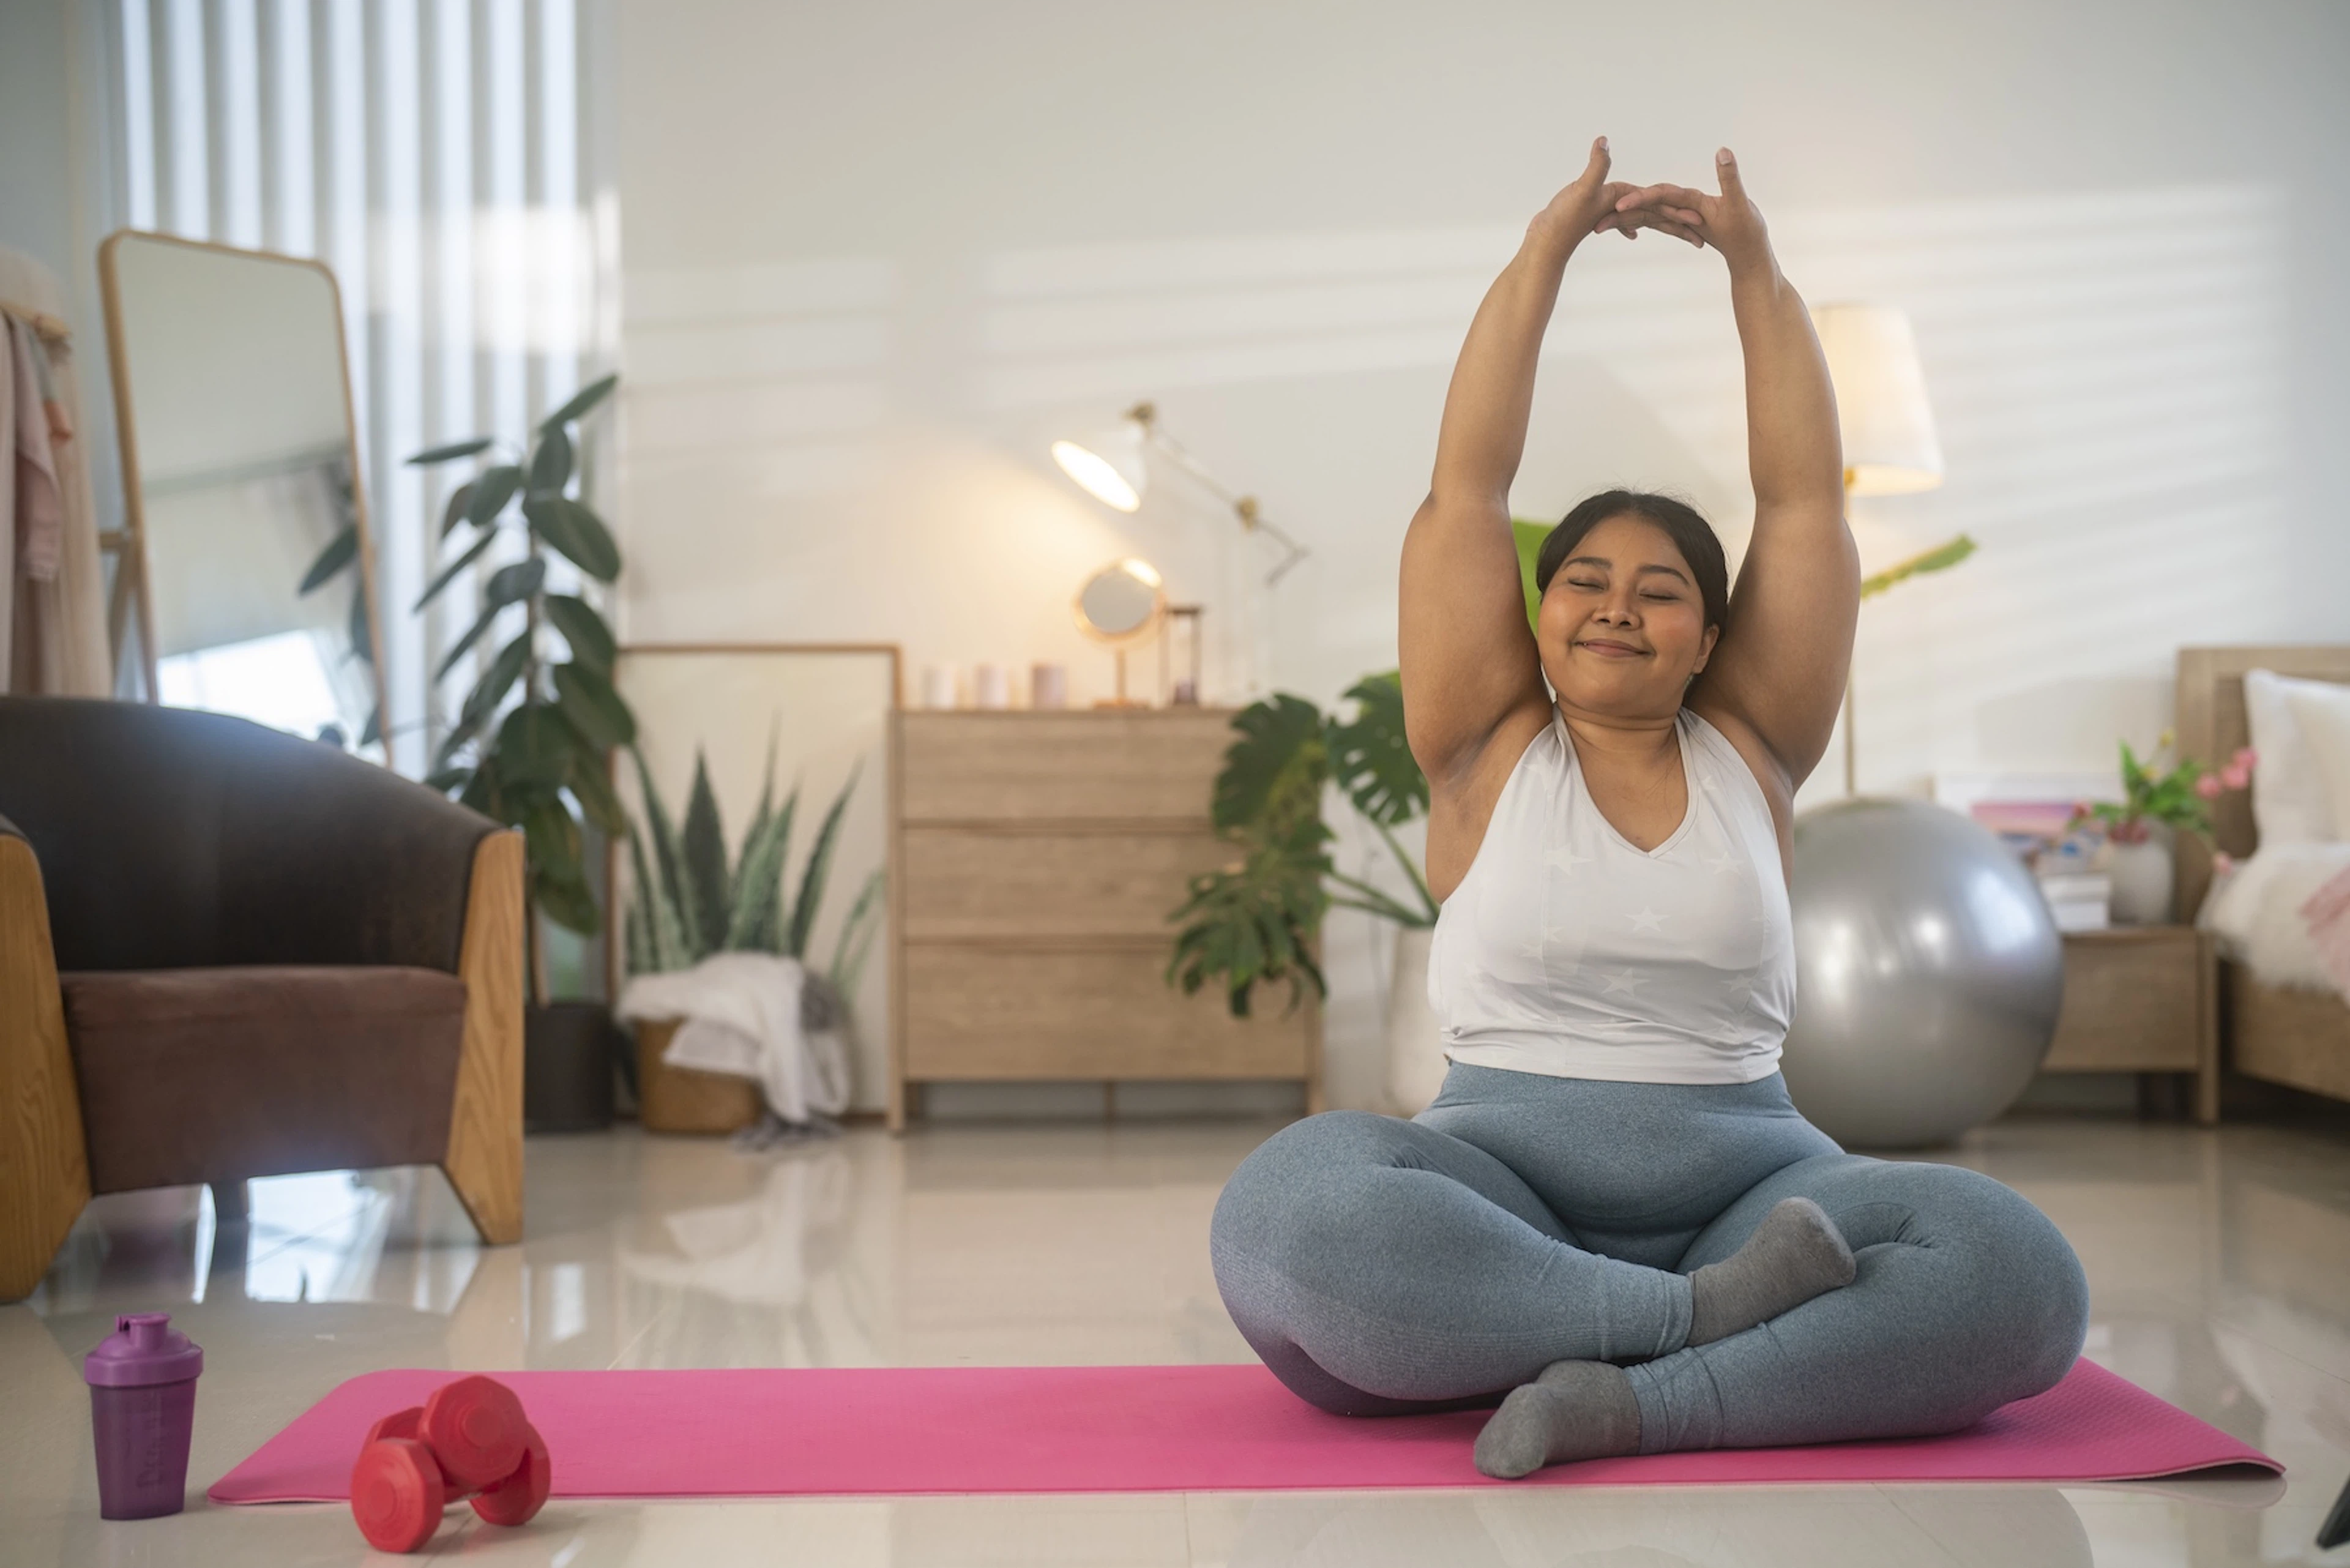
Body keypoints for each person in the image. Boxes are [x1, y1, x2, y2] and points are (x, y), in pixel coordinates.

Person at [1209, 140, 2089, 1478]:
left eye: (1662, 586)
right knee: (1290, 1218)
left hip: (1757, 1194)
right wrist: (1544, 255)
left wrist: (1755, 268)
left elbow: (1803, 498)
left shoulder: (1755, 748)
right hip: (1498, 1185)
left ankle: (1628, 1400)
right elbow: (1467, 487)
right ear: (1540, 618)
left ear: (1707, 637)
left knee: (2017, 1275)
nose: (1617, 600)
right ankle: (1697, 1331)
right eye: (1583, 580)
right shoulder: (1483, 753)